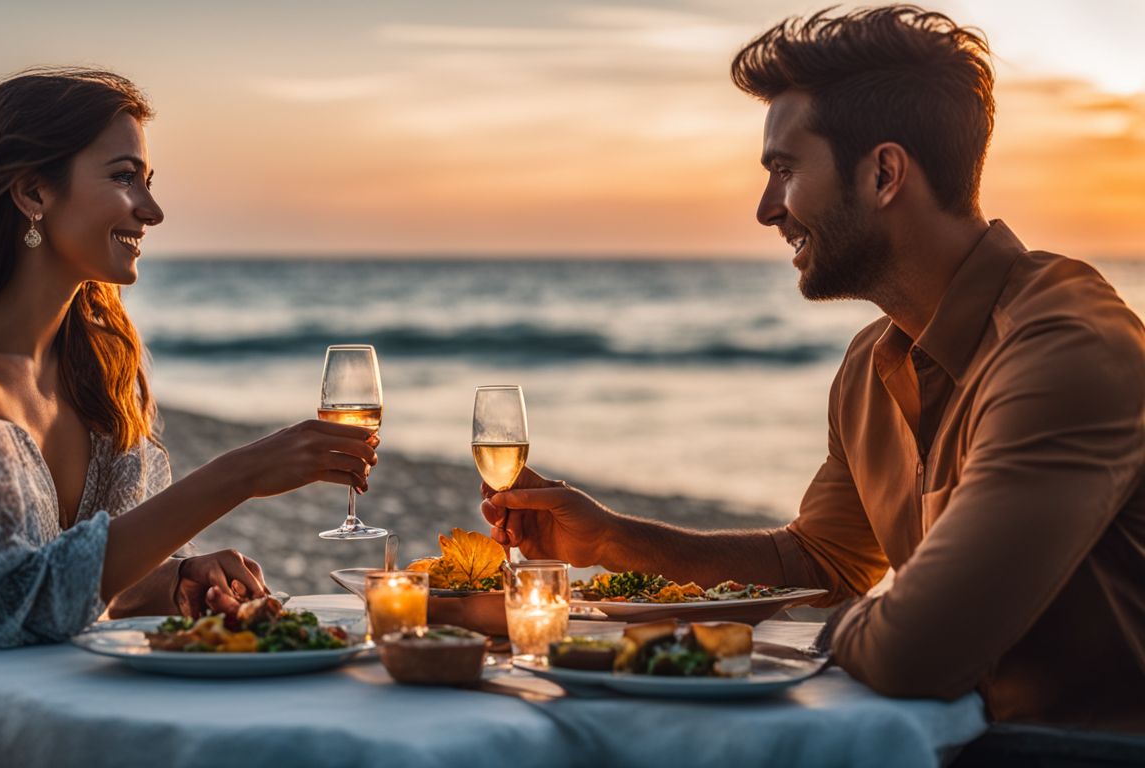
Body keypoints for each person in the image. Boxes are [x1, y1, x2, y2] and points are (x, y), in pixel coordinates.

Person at [482, 6, 1145, 732]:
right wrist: (611, 540)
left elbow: (916, 651)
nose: (768, 208)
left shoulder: (1068, 349)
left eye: (786, 170)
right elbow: (822, 562)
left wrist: (833, 636)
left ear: (885, 172)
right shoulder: (872, 361)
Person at [0, 68, 379, 765]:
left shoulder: (102, 366)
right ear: (32, 191)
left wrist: (170, 580)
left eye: (149, 180)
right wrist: (239, 474)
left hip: (57, 692)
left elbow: (59, 577)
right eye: (125, 177)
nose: (152, 210)